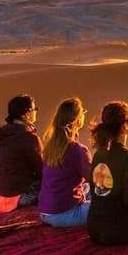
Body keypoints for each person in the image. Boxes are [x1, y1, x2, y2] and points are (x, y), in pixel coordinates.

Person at [86, 101, 128, 245]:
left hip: (94, 227)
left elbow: (96, 192)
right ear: (125, 126)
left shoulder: (98, 154)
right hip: (116, 231)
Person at [0, 95, 43, 215]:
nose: (36, 112)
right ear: (27, 114)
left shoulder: (1, 135)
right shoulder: (28, 137)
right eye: (34, 109)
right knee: (54, 181)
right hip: (17, 197)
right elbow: (42, 171)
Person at [37, 97, 91, 227]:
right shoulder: (76, 150)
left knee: (85, 187)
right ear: (77, 120)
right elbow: (95, 179)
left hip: (45, 212)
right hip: (64, 214)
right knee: (110, 205)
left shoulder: (51, 146)